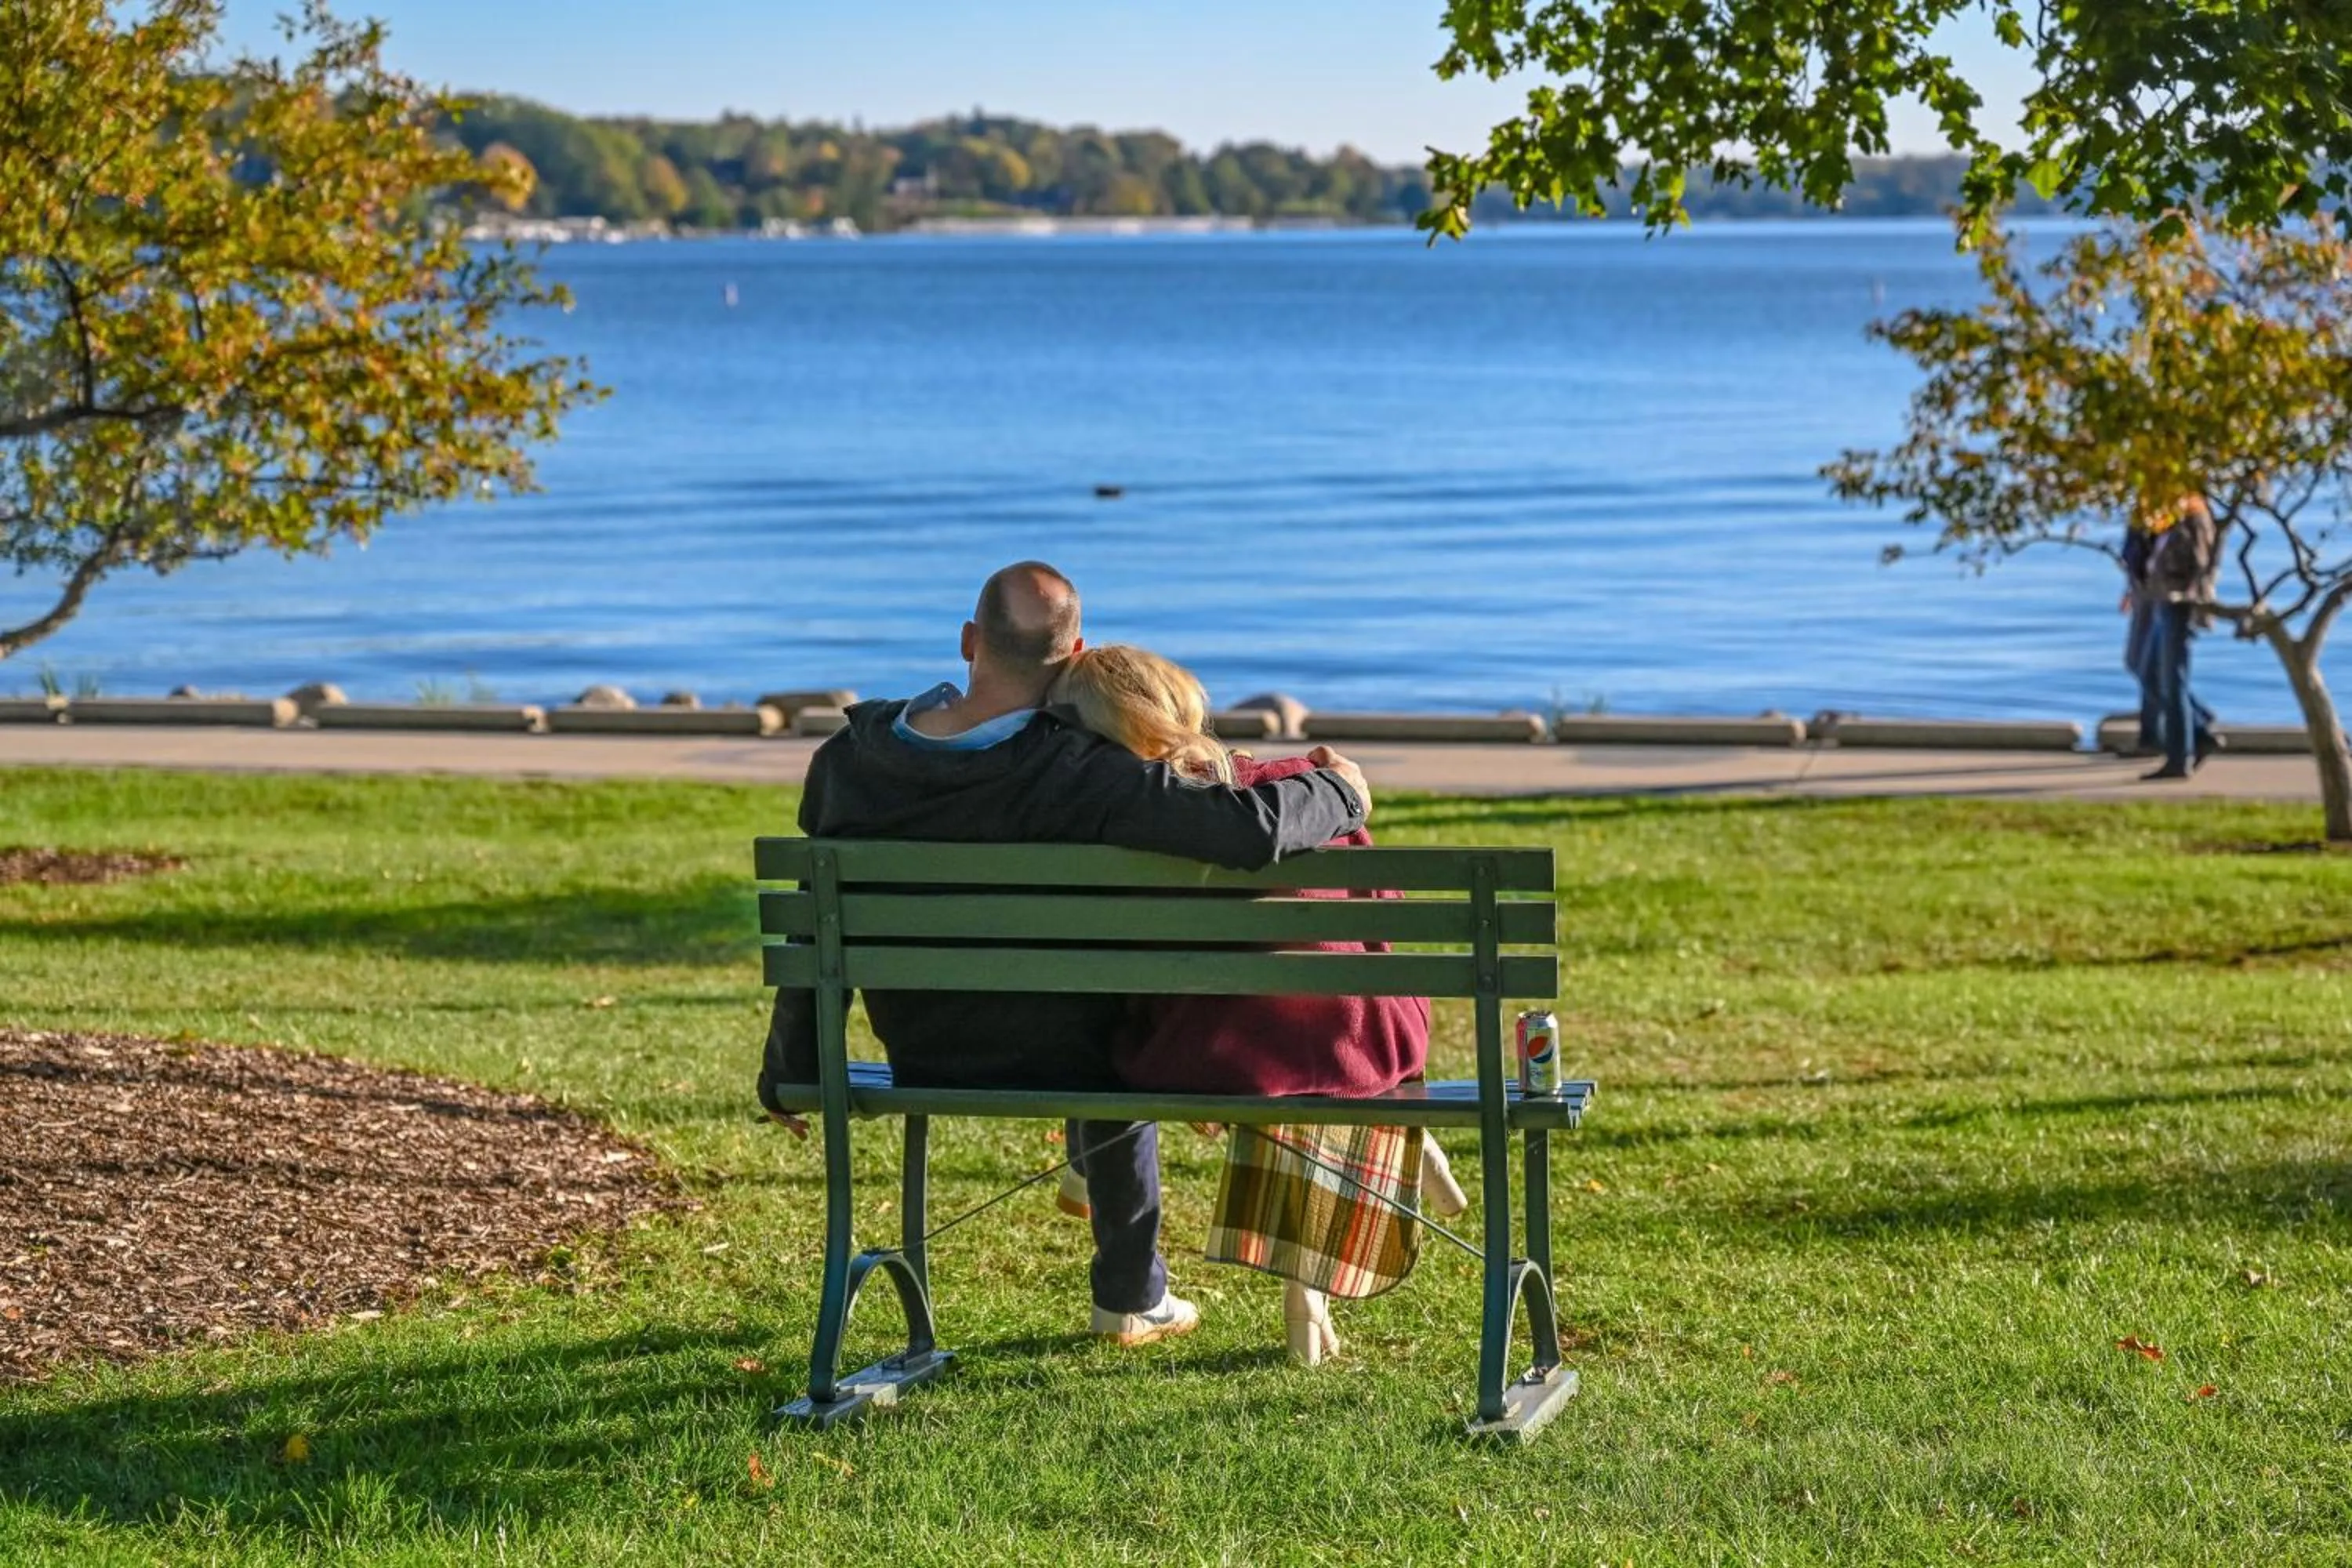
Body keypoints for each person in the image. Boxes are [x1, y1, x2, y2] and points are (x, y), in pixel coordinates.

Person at [760, 562, 1376, 1348]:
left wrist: (792, 1065)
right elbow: (1245, 829)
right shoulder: (1078, 767)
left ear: (969, 641)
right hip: (1083, 1056)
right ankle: (1130, 1294)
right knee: (1112, 1027)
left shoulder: (850, 759)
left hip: (925, 1048)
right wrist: (1341, 789)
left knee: (1093, 1017)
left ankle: (1108, 1233)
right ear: (1075, 652)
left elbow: (812, 932)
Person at [1051, 643, 1464, 1365]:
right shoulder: (1297, 787)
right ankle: (1400, 1137)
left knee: (1182, 1031)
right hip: (1365, 1046)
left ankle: (1089, 1172)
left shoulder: (1104, 816)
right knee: (1325, 1007)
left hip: (1194, 1057)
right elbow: (1377, 907)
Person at [2143, 496, 2224, 780]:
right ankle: (2200, 729)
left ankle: (2179, 758)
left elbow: (2200, 564)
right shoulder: (2168, 517)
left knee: (2173, 679)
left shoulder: (2194, 517)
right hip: (2162, 600)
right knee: (2150, 672)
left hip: (2179, 604)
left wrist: (2184, 595)